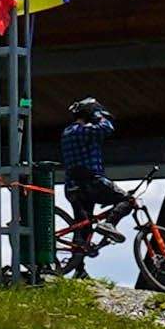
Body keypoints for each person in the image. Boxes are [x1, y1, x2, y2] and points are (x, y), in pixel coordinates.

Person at [56, 98, 122, 247]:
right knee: (127, 200)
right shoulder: (84, 130)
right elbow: (107, 128)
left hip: (72, 186)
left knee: (83, 226)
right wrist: (100, 116)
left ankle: (79, 257)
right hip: (91, 183)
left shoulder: (67, 131)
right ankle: (109, 224)